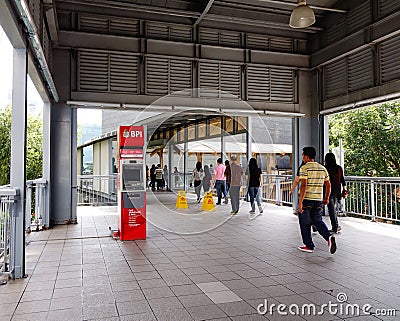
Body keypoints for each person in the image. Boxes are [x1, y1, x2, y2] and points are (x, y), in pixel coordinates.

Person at [297, 146, 336, 254]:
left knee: (304, 223)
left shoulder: (304, 168)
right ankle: (328, 237)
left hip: (307, 200)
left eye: (303, 155)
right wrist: (326, 198)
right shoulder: (322, 168)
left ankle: (309, 245)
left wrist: (300, 203)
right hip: (318, 200)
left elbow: (303, 186)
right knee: (317, 221)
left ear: (307, 156)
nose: (302, 157)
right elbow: (328, 185)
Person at [324, 152, 347, 233]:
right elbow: (342, 180)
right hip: (336, 190)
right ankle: (335, 226)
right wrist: (344, 190)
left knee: (330, 209)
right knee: (332, 209)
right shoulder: (339, 168)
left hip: (327, 190)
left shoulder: (324, 168)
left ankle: (335, 226)